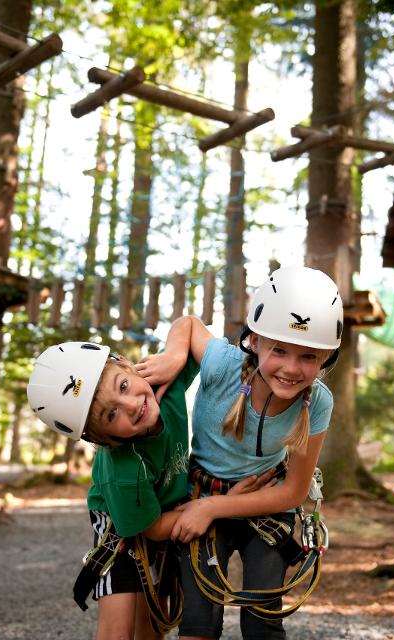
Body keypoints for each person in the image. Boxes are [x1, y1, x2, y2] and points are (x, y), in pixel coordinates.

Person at [136, 265, 342, 640]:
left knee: (263, 621)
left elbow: (294, 492)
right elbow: (188, 324)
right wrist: (173, 355)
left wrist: (212, 508)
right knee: (198, 622)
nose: (292, 369)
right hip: (204, 490)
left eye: (309, 357)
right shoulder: (224, 367)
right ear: (255, 341)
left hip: (263, 504)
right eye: (279, 350)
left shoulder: (317, 403)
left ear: (327, 357)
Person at [26, 341, 271, 640]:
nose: (131, 405)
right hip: (122, 522)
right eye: (111, 415)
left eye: (124, 385)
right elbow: (152, 529)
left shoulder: (162, 389)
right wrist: (220, 504)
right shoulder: (123, 471)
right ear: (102, 439)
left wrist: (174, 355)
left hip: (167, 506)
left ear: (129, 365)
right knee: (117, 628)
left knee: (155, 622)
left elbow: (190, 328)